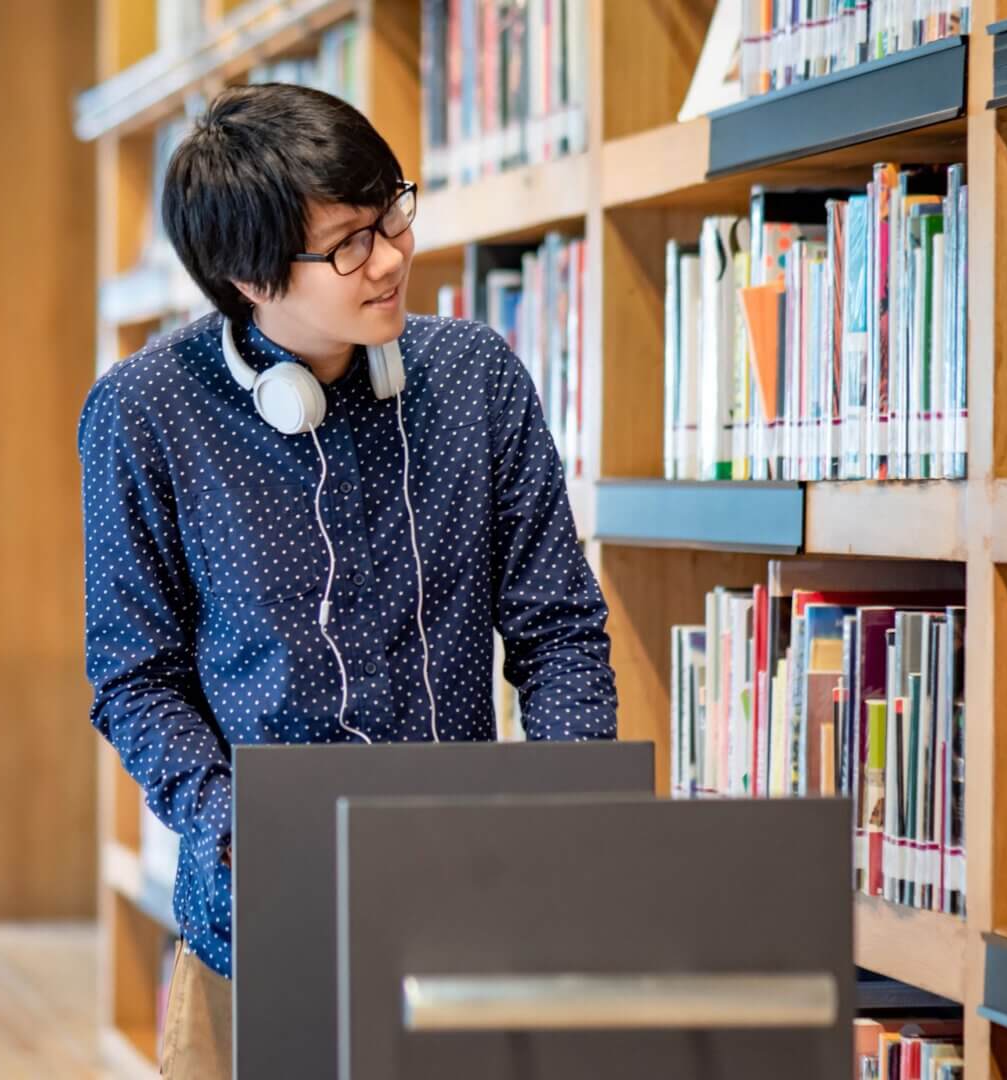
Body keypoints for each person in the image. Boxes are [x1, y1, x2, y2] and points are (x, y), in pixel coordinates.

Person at [76, 84, 618, 1078]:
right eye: (349, 246)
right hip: (259, 931)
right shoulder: (146, 415)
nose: (392, 259)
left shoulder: (477, 378)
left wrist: (573, 809)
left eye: (393, 215)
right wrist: (235, 821)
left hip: (473, 924)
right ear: (249, 277)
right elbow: (132, 675)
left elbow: (558, 627)